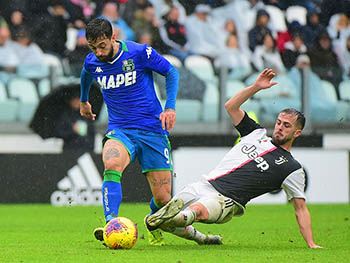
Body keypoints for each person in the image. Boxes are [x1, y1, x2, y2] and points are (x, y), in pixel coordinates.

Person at [145, 69, 322, 249]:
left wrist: (311, 243)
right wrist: (255, 87)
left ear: (297, 132)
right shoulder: (255, 133)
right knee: (162, 222)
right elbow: (230, 106)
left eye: (286, 126)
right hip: (204, 185)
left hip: (228, 200)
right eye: (278, 123)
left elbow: (300, 209)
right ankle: (202, 238)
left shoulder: (292, 168)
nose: (279, 128)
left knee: (197, 211)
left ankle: (179, 216)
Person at [79, 17, 179, 246]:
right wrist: (84, 100)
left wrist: (170, 107)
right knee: (111, 164)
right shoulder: (92, 61)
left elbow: (172, 72)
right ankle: (110, 224)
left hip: (152, 129)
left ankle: (152, 219)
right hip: (120, 129)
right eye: (92, 48)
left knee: (163, 199)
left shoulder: (139, 53)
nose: (98, 52)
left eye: (102, 46)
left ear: (113, 37)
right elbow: (86, 73)